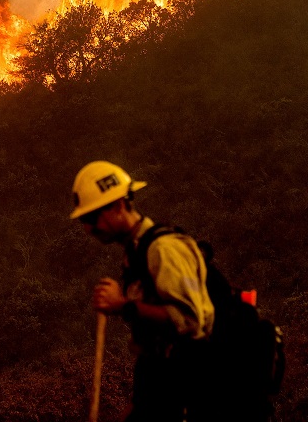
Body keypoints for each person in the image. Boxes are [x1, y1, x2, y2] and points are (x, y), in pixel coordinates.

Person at [71, 160, 219, 422]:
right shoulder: (136, 254)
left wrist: (123, 306)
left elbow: (191, 321)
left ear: (118, 205)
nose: (88, 228)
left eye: (92, 217)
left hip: (192, 393)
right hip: (162, 388)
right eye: (84, 219)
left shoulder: (163, 249)